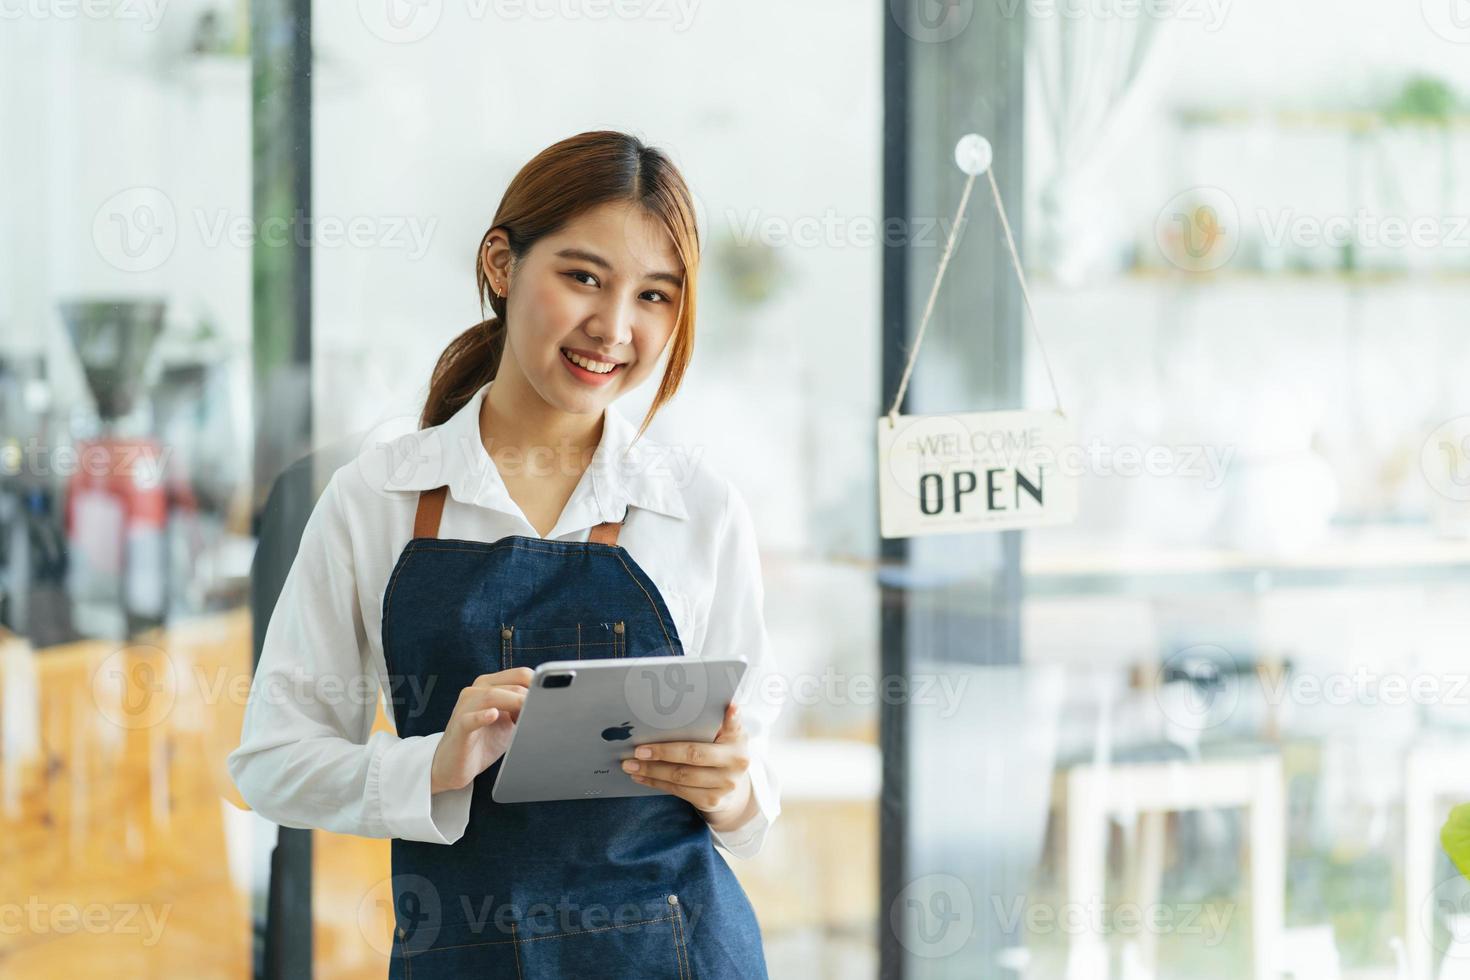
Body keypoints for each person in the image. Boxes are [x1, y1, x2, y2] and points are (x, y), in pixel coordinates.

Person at [227, 130, 781, 978]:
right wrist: (431, 766)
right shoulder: (377, 500)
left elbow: (755, 798)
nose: (615, 326)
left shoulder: (696, 510)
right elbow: (271, 763)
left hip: (678, 953)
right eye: (584, 277)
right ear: (500, 262)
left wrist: (732, 790)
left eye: (656, 296)